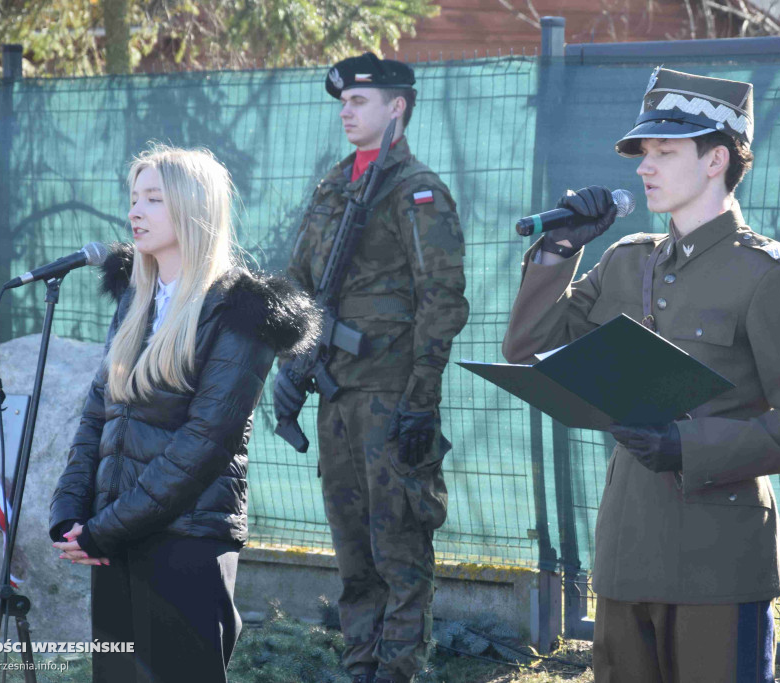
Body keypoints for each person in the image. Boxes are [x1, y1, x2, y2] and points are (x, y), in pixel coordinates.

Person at [503, 68, 780, 682]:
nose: (644, 166)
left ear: (717, 159)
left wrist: (687, 444)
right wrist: (561, 249)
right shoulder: (624, 259)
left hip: (718, 563)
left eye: (665, 151)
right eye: (643, 152)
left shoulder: (773, 276)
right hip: (624, 553)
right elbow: (531, 347)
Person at [49, 145, 319, 683]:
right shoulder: (135, 299)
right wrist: (72, 511)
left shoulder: (240, 310)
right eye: (133, 199)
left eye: (153, 199)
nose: (135, 212)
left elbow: (205, 442)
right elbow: (97, 415)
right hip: (116, 538)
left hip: (187, 541)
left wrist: (107, 528)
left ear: (194, 209)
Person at [273, 53, 469, 683]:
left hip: (391, 400)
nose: (346, 111)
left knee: (399, 554)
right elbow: (300, 287)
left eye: (361, 101)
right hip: (336, 400)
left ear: (397, 108)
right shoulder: (333, 186)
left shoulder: (418, 191)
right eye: (344, 102)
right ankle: (360, 669)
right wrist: (291, 362)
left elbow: (442, 304)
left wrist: (421, 399)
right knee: (354, 555)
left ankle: (397, 674)